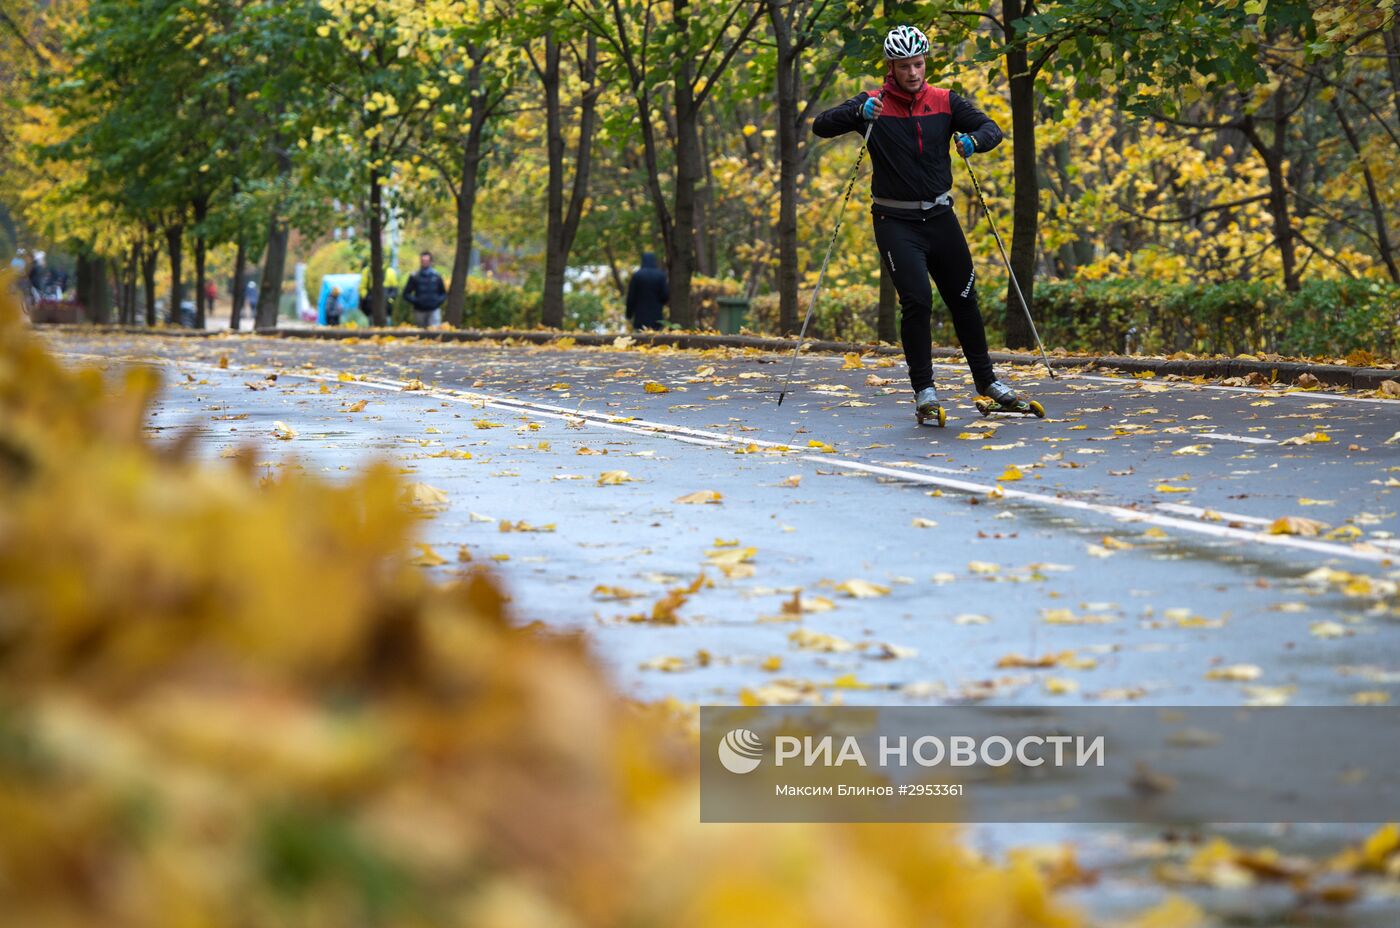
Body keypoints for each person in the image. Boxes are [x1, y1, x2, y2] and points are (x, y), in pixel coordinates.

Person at [813, 25, 1034, 426]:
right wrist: (855, 113)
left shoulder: (945, 101)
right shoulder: (873, 104)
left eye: (918, 63)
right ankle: (924, 391)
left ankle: (988, 383)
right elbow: (820, 125)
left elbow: (991, 129)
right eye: (904, 65)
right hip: (895, 221)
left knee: (964, 299)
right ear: (891, 67)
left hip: (940, 217)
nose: (913, 72)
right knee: (917, 301)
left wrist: (974, 143)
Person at [624, 252, 668, 331]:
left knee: (639, 337)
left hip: (640, 315)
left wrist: (629, 314)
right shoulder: (661, 276)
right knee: (657, 338)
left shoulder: (637, 276)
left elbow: (631, 297)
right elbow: (665, 295)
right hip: (656, 314)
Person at [401, 250, 446, 327]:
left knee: (435, 332)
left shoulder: (437, 276)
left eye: (427, 260)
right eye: (423, 260)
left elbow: (443, 293)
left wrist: (437, 301)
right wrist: (417, 301)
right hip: (419, 311)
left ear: (430, 261)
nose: (425, 262)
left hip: (434, 310)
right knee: (421, 333)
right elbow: (406, 294)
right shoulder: (414, 276)